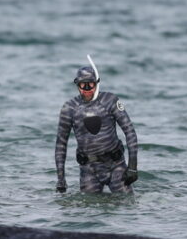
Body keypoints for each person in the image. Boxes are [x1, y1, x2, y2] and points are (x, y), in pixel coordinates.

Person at [54, 58, 139, 194]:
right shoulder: (70, 108)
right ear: (77, 85)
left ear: (97, 83)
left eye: (91, 84)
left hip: (116, 166)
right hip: (89, 170)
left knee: (126, 203)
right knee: (89, 206)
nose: (87, 89)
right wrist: (60, 178)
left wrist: (132, 167)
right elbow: (61, 144)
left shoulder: (110, 101)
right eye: (83, 85)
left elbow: (130, 131)